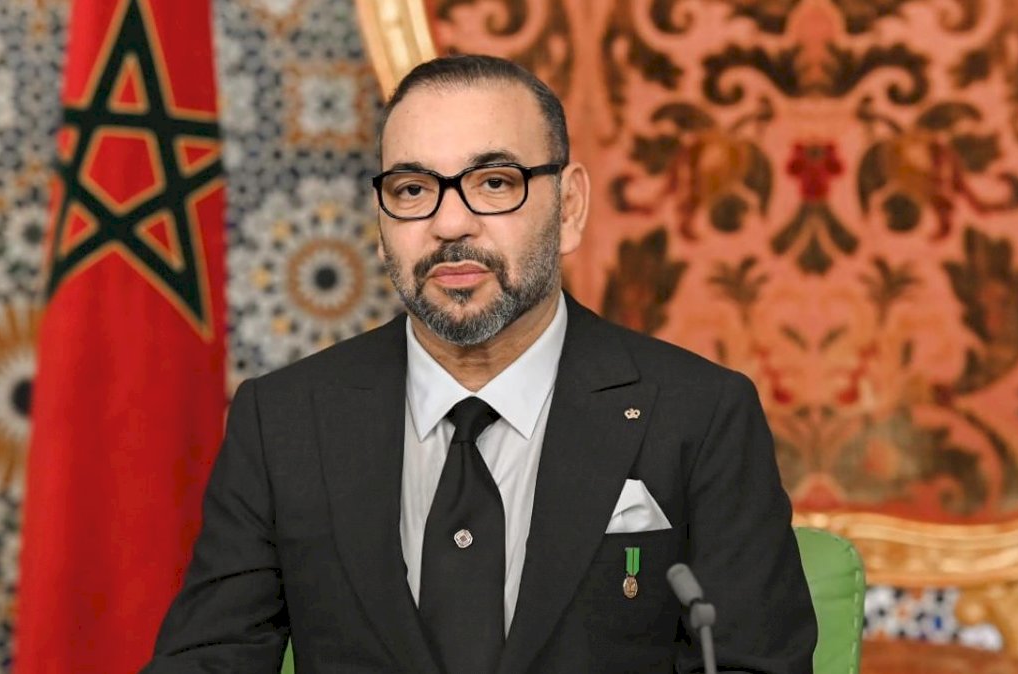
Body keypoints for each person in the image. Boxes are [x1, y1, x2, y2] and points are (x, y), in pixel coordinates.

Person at [143, 54, 816, 674]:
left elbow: (754, 663)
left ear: (569, 207)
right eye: (413, 190)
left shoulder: (700, 415)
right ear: (381, 221)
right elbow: (208, 660)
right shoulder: (283, 421)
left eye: (494, 183)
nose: (449, 224)